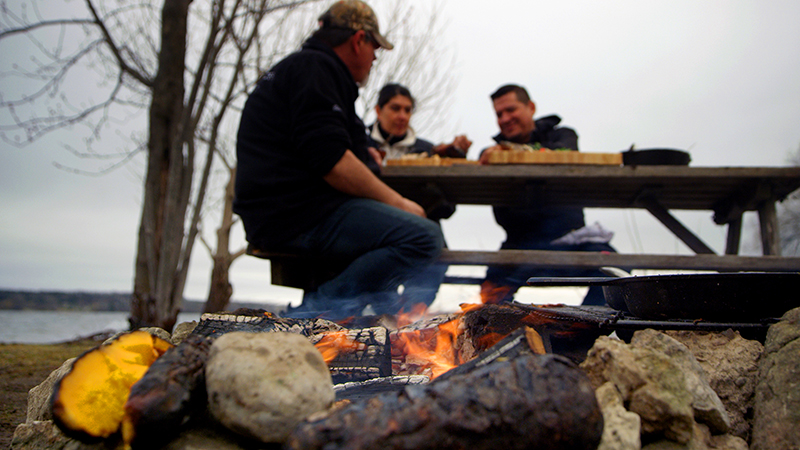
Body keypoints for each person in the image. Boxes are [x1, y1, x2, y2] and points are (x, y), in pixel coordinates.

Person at [234, 0, 444, 321]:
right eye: (374, 47)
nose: (375, 57)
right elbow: (332, 162)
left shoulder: (315, 72)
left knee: (404, 232)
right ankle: (311, 316)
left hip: (290, 209)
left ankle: (372, 319)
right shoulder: (315, 70)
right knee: (423, 237)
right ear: (358, 40)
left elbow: (339, 139)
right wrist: (400, 202)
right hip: (294, 215)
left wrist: (363, 151)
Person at [479, 84, 616, 306]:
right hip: (518, 246)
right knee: (489, 296)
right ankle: (503, 339)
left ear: (530, 107)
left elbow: (564, 153)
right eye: (499, 114)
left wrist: (510, 154)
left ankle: (576, 334)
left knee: (614, 270)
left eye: (511, 110)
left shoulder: (563, 136)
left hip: (570, 241)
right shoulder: (490, 154)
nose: (504, 118)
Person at [364, 83, 472, 312]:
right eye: (395, 108)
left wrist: (455, 161)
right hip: (371, 226)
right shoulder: (360, 144)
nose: (402, 116)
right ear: (378, 110)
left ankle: (409, 316)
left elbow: (448, 208)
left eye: (407, 109)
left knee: (438, 254)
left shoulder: (429, 150)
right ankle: (386, 313)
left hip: (421, 225)